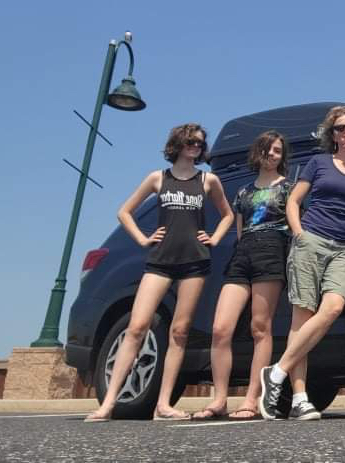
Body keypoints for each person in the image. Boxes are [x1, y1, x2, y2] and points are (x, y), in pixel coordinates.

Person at [85, 123, 234, 422]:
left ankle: (163, 404)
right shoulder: (158, 178)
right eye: (191, 141)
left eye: (200, 143)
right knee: (137, 328)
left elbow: (228, 215)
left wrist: (215, 238)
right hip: (159, 262)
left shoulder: (208, 180)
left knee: (179, 332)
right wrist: (142, 239)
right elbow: (124, 211)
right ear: (178, 143)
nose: (195, 146)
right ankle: (108, 403)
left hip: (195, 263)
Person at [258, 106, 345, 421]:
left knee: (331, 308)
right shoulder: (318, 163)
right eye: (341, 129)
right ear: (331, 135)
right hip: (312, 241)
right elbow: (293, 201)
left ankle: (276, 372)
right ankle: (300, 399)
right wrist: (300, 234)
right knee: (301, 321)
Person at [192, 131, 293, 421]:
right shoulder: (243, 192)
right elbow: (239, 229)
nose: (272, 154)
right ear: (258, 152)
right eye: (268, 149)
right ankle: (219, 399)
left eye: (277, 150)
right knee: (221, 328)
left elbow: (294, 223)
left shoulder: (289, 188)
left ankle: (252, 398)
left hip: (272, 250)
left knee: (260, 327)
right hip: (242, 253)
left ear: (282, 157)